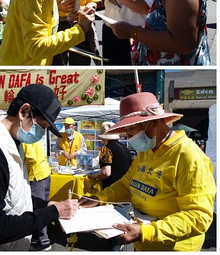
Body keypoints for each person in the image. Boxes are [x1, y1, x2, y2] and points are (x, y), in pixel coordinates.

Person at [79, 92, 216, 251]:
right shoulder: (146, 151)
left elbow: (198, 216)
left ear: (154, 122)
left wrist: (148, 231)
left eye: (131, 129)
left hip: (173, 247)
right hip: (143, 240)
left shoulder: (189, 157)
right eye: (126, 131)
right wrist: (99, 198)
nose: (129, 136)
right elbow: (126, 185)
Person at [0, 84, 78, 250]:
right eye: (42, 127)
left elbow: (16, 197)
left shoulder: (14, 143)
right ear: (23, 112)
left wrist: (48, 205)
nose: (41, 134)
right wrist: (51, 212)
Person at [22, 140, 52, 251]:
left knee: (38, 209)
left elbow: (31, 158)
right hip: (44, 173)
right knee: (43, 206)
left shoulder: (24, 139)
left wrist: (24, 173)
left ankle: (43, 241)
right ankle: (41, 237)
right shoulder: (30, 135)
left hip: (36, 176)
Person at [87, 121, 132, 188]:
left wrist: (94, 176)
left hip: (113, 187)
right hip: (126, 185)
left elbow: (105, 173)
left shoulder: (106, 149)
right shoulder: (124, 147)